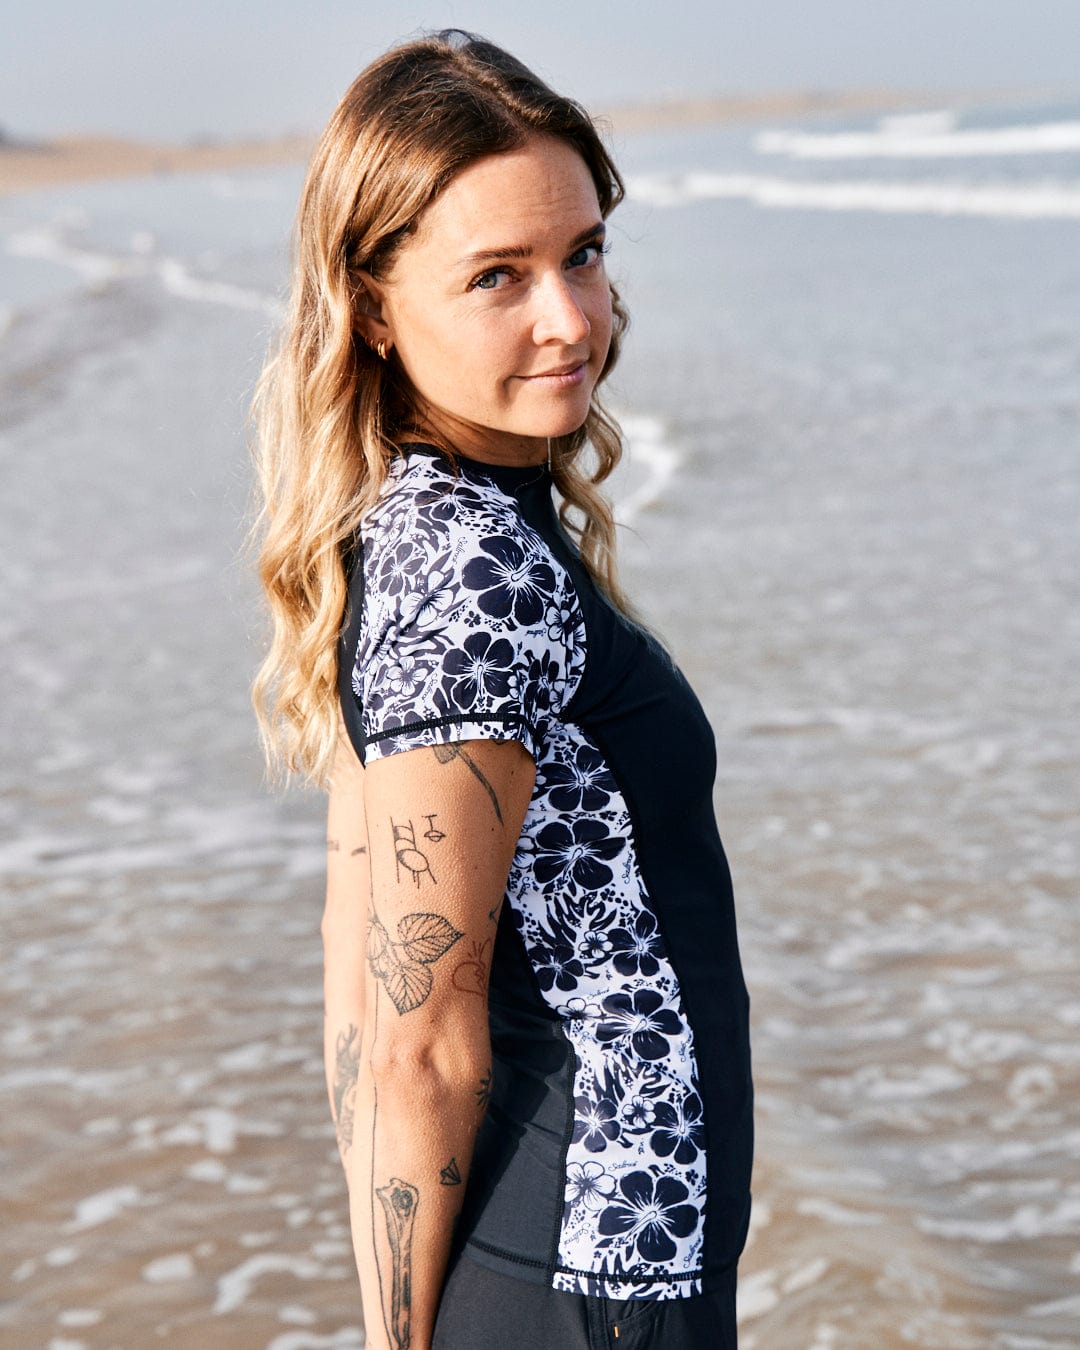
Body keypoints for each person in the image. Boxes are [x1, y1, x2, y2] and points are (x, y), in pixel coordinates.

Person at [252, 31, 753, 1350]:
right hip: (597, 1275)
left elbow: (355, 976)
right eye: (498, 277)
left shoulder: (425, 528)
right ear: (373, 300)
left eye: (582, 253)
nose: (570, 316)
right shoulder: (475, 574)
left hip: (578, 1269)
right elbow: (412, 1037)